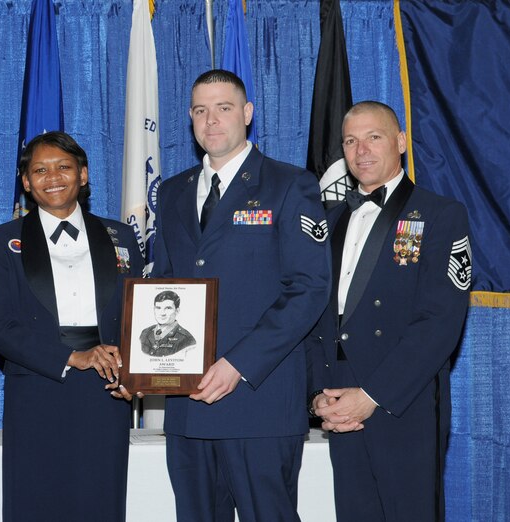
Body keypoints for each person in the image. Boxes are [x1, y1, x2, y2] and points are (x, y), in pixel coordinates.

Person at [151, 69, 331, 521]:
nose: (211, 120)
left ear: (247, 114)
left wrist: (239, 364)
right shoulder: (171, 192)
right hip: (188, 407)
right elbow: (164, 287)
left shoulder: (290, 185)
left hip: (260, 402)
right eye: (200, 110)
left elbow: (309, 288)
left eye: (224, 108)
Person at [306, 101, 471, 522]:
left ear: (400, 141)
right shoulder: (329, 220)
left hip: (403, 398)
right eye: (350, 140)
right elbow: (315, 316)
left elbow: (440, 322)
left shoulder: (440, 215)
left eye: (373, 137)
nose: (361, 150)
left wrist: (373, 396)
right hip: (341, 398)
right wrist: (318, 395)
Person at [0, 131, 144, 521]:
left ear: (83, 175)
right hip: (38, 385)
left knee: (99, 502)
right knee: (36, 503)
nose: (52, 177)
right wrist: (73, 356)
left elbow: (140, 316)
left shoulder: (120, 235)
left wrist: (135, 376)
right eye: (39, 169)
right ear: (26, 182)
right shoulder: (3, 240)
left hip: (106, 390)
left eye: (63, 167)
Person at [139, 290, 196, 357]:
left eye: (168, 308)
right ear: (154, 309)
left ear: (177, 311)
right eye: (158, 308)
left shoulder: (187, 339)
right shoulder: (145, 333)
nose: (162, 313)